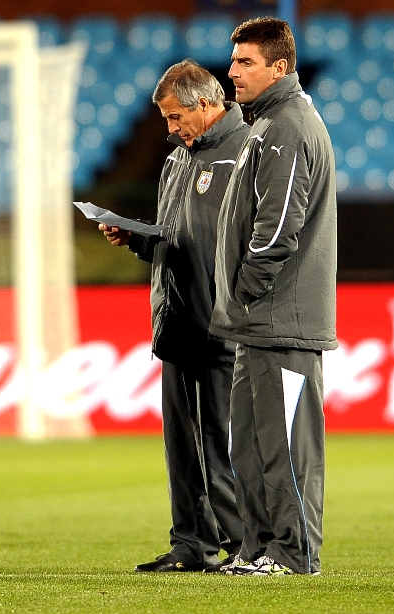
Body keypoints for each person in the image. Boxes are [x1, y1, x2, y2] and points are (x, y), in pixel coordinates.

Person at [100, 59, 247, 573]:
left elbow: (237, 245)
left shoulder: (244, 152)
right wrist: (138, 237)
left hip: (221, 325)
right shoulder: (177, 161)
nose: (169, 130)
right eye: (164, 119)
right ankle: (192, 545)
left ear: (206, 104)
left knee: (222, 444)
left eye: (174, 117)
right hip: (177, 321)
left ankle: (245, 546)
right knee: (183, 447)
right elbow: (176, 240)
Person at [210, 17, 338, 576]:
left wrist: (242, 296)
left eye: (245, 63)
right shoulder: (264, 125)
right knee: (253, 448)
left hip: (282, 319)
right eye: (233, 60)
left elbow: (277, 229)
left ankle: (292, 554)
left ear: (279, 68)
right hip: (258, 323)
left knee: (287, 448)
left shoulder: (287, 126)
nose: (232, 72)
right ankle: (259, 549)